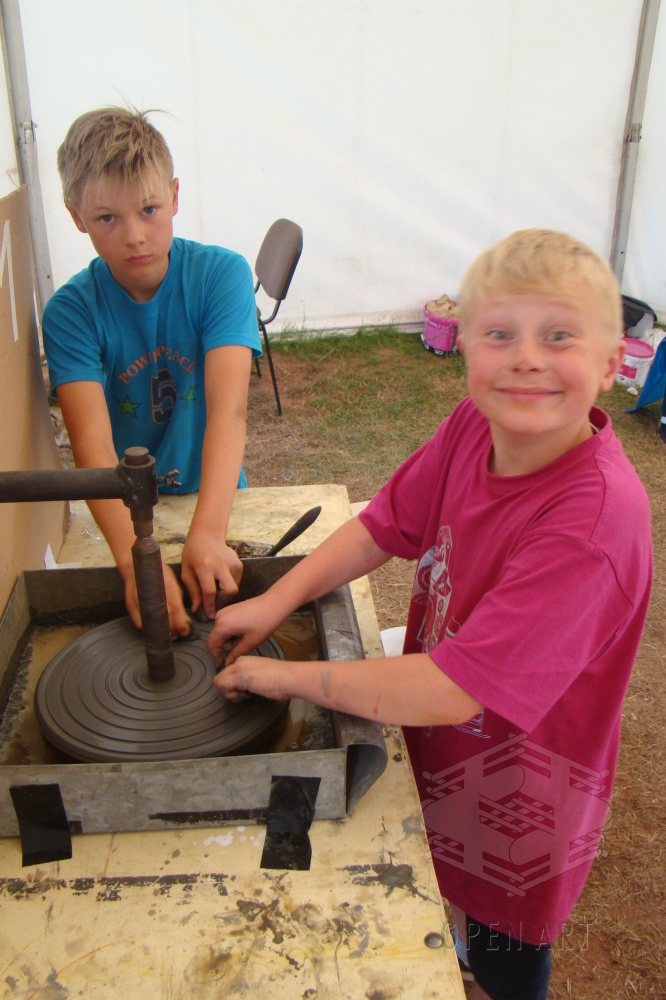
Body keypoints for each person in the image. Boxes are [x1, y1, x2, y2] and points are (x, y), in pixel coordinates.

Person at [206, 229, 653, 1000]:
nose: (526, 359)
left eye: (559, 336)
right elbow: (383, 524)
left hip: (521, 807)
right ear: (464, 346)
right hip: (443, 763)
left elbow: (452, 689)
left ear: (613, 364)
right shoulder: (474, 426)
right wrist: (277, 598)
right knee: (441, 898)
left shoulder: (592, 522)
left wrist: (289, 678)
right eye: (500, 334)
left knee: (502, 952)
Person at [42, 107, 261, 637]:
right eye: (107, 218)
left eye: (148, 209)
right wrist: (133, 562)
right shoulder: (70, 312)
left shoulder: (221, 275)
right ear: (76, 216)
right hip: (127, 512)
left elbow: (228, 412)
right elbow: (91, 444)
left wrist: (207, 532)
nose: (135, 236)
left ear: (175, 196)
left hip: (215, 496)